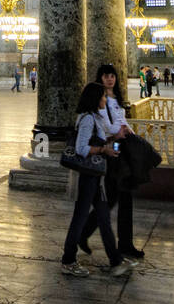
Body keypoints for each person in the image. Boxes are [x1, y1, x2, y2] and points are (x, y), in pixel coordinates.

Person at [60, 82, 135, 277]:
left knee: (103, 218)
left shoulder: (96, 118)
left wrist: (114, 139)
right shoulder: (87, 120)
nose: (105, 99)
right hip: (88, 177)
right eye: (102, 96)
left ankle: (116, 261)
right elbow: (81, 149)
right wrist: (103, 150)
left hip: (96, 176)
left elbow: (99, 142)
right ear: (95, 98)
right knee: (80, 217)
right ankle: (68, 260)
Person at [78, 64, 146, 264]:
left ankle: (125, 243)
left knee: (124, 197)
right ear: (100, 78)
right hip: (110, 151)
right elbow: (103, 129)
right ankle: (85, 233)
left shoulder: (115, 99)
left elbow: (121, 120)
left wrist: (129, 132)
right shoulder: (100, 101)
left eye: (112, 76)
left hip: (122, 148)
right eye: (106, 76)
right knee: (110, 199)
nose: (110, 79)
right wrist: (116, 133)